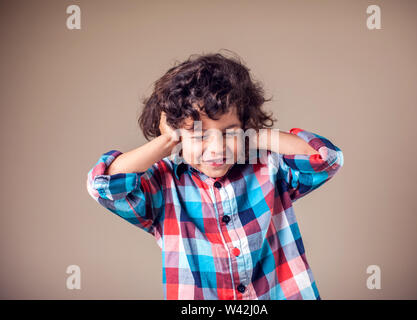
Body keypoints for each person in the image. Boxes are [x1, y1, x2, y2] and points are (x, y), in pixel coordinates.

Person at [86, 51, 344, 300]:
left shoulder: (268, 167)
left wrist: (252, 135)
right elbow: (103, 186)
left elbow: (325, 159)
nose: (217, 148)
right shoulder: (163, 185)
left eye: (230, 132)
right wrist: (168, 139)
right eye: (199, 136)